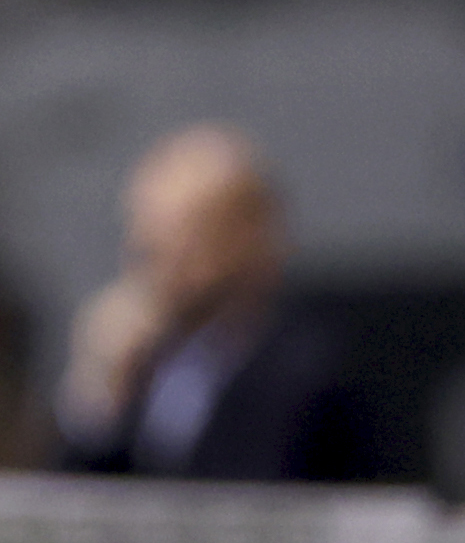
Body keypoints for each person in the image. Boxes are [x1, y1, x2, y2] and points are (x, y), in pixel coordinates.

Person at [57, 123, 358, 479]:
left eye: (183, 233)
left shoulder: (309, 372)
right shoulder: (138, 356)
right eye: (144, 229)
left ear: (250, 234)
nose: (150, 253)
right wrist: (98, 393)